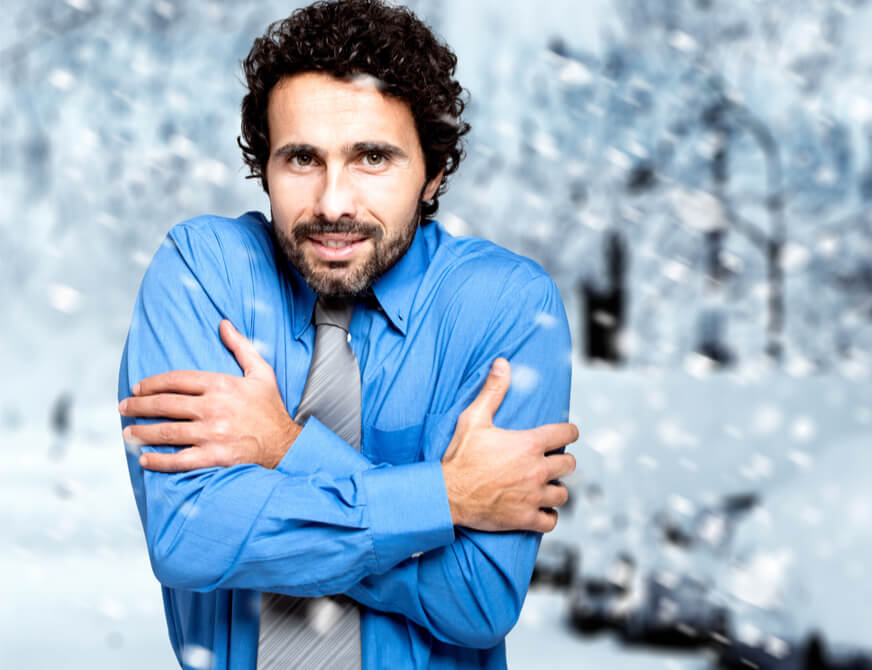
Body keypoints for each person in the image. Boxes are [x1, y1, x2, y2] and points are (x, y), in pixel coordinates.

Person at [116, 1, 577, 668]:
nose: (333, 203)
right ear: (264, 165)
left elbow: (478, 601)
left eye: (372, 158)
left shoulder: (502, 304)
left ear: (435, 171)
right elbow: (191, 540)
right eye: (302, 159)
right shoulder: (204, 270)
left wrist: (283, 448)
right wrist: (443, 498)